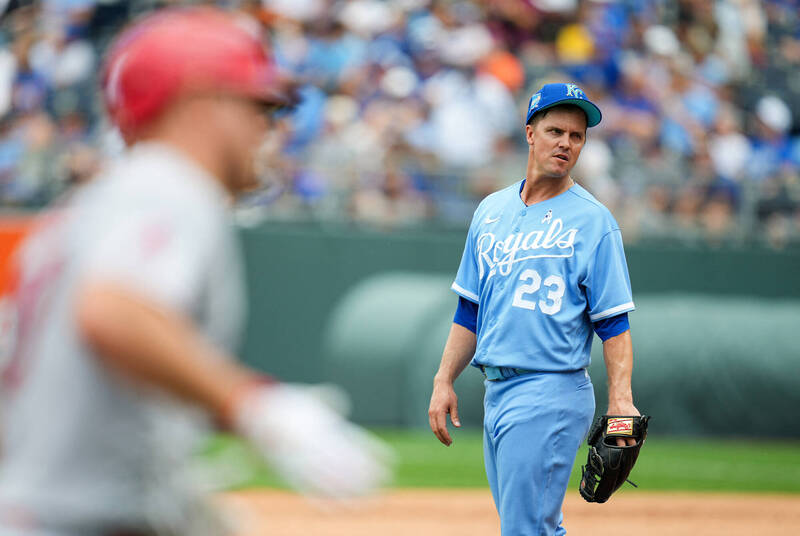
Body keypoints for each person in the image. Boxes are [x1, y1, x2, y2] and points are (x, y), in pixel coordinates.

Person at [0, 7, 389, 536]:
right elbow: (113, 310)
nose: (271, 127)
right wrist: (255, 405)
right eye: (258, 105)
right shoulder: (169, 185)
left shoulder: (95, 205)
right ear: (199, 101)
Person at [428, 82, 639, 536]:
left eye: (577, 136)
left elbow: (614, 323)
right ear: (530, 132)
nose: (566, 143)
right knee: (530, 528)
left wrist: (621, 402)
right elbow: (470, 309)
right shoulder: (490, 210)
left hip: (552, 391)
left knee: (526, 530)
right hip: (497, 391)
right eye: (555, 130)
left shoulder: (594, 221)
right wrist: (444, 379)